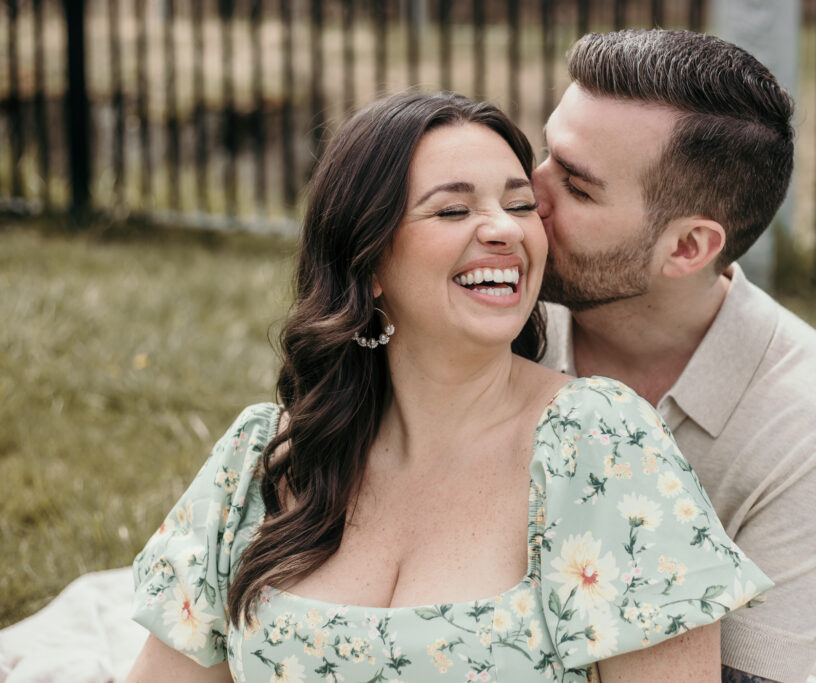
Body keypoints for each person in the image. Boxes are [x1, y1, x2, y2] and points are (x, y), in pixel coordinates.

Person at [126, 91, 772, 683]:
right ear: (369, 263)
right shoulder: (261, 459)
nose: (505, 229)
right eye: (454, 208)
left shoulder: (601, 445)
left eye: (521, 205)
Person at [531, 30, 816, 683]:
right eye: (545, 154)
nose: (527, 191)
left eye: (575, 186)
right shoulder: (495, 306)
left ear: (688, 247)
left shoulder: (813, 421)